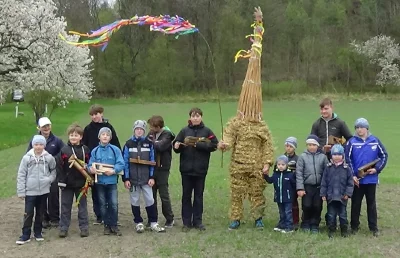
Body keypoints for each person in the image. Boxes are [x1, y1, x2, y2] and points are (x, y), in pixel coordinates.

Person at [217, 8, 274, 231]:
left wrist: (267, 162)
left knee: (257, 193)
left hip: (257, 167)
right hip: (238, 166)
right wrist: (224, 144)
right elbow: (228, 138)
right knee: (237, 193)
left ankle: (258, 218)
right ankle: (235, 218)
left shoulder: (261, 126)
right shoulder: (235, 123)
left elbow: (268, 145)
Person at [173, 108, 218, 231]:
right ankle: (186, 223)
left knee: (198, 196)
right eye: (193, 116)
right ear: (190, 118)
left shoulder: (207, 131)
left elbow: (214, 145)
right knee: (186, 196)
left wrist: (199, 145)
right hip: (186, 170)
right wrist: (176, 146)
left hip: (200, 170)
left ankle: (198, 221)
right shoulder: (184, 131)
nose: (196, 118)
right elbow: (176, 146)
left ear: (201, 117)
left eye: (198, 116)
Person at [310, 98, 352, 228]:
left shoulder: (340, 123)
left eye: (326, 108)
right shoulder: (317, 124)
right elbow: (312, 141)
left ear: (331, 108)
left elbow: (350, 139)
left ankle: (339, 217)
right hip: (321, 160)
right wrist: (322, 149)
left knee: (337, 188)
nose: (324, 111)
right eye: (322, 109)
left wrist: (336, 144)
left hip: (337, 160)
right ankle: (323, 220)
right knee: (324, 187)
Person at [345, 118, 388, 237]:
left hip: (371, 180)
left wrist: (377, 169)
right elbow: (347, 160)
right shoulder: (352, 142)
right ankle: (354, 226)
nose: (359, 130)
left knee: (371, 203)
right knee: (355, 203)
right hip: (357, 181)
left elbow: (384, 155)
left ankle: (373, 227)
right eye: (357, 127)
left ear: (367, 128)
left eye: (361, 127)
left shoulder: (375, 141)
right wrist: (352, 175)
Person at [123, 120, 166, 233]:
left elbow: (153, 161)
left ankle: (153, 222)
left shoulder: (149, 144)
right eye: (137, 129)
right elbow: (125, 163)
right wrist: (126, 179)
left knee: (150, 200)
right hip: (133, 179)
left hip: (146, 178)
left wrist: (152, 177)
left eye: (141, 129)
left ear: (144, 131)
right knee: (135, 200)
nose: (139, 131)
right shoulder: (128, 144)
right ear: (134, 130)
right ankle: (138, 222)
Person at [82, 104, 121, 225]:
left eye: (96, 114)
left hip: (109, 165)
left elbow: (116, 145)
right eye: (92, 115)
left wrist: (115, 167)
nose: (94, 117)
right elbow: (84, 145)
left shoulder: (108, 127)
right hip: (94, 164)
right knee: (96, 192)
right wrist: (89, 164)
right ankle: (100, 216)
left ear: (101, 114)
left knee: (111, 194)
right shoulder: (88, 129)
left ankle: (112, 217)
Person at [17, 135, 57, 244]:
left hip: (43, 191)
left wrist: (49, 179)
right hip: (30, 191)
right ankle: (25, 234)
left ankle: (38, 232)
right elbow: (21, 174)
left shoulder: (48, 158)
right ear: (33, 145)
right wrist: (21, 191)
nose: (38, 147)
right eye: (36, 144)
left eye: (41, 144)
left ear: (44, 145)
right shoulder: (27, 158)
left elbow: (53, 170)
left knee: (40, 213)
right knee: (28, 213)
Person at [27, 117, 64, 229]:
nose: (46, 128)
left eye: (48, 126)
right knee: (41, 195)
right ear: (39, 128)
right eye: (43, 126)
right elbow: (28, 154)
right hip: (38, 173)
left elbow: (63, 153)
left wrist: (52, 159)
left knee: (53, 195)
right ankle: (43, 218)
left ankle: (55, 218)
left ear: (50, 126)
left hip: (52, 172)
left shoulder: (57, 140)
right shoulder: (34, 140)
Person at [88, 127, 125, 236]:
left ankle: (114, 225)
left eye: (107, 135)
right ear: (99, 137)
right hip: (99, 182)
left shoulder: (115, 150)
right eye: (103, 134)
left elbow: (121, 163)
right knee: (103, 205)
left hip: (112, 182)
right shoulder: (95, 151)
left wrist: (113, 171)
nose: (105, 136)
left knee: (113, 204)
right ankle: (106, 226)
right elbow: (90, 164)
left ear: (110, 137)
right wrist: (91, 169)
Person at [57, 124, 91, 238]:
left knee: (82, 207)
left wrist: (89, 177)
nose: (73, 137)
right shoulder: (64, 150)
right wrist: (61, 181)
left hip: (81, 184)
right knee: (65, 206)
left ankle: (84, 228)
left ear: (81, 137)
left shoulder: (85, 149)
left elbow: (89, 164)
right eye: (71, 135)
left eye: (76, 135)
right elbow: (60, 167)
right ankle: (63, 228)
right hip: (67, 184)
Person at [296, 134, 328, 233]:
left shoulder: (323, 157)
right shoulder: (302, 157)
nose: (311, 147)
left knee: (317, 206)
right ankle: (306, 222)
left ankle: (315, 224)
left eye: (313, 145)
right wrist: (300, 188)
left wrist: (325, 187)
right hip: (307, 185)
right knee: (307, 205)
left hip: (319, 186)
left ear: (317, 146)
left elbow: (326, 172)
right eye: (309, 145)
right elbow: (299, 173)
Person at [147, 115, 175, 228]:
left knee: (164, 195)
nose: (150, 129)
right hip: (152, 167)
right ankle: (153, 219)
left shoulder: (167, 135)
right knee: (151, 195)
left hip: (163, 168)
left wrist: (153, 142)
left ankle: (169, 218)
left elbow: (161, 147)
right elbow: (147, 144)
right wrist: (154, 142)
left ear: (158, 127)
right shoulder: (151, 134)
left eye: (152, 127)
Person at [320, 144, 354, 238]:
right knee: (331, 215)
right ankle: (331, 230)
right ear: (331, 155)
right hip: (330, 197)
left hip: (342, 197)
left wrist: (348, 193)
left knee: (343, 215)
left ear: (342, 156)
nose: (337, 157)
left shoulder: (346, 169)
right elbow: (324, 182)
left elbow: (350, 183)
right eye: (334, 154)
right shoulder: (328, 168)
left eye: (339, 154)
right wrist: (323, 193)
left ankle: (344, 231)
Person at [272, 137, 300, 229]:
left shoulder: (297, 159)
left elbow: (299, 172)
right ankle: (283, 221)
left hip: (292, 184)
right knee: (283, 206)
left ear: (294, 148)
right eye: (287, 146)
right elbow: (276, 171)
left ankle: (295, 221)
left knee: (294, 204)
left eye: (291, 146)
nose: (288, 148)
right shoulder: (281, 159)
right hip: (283, 185)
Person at [264, 155, 296, 233]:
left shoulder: (290, 175)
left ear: (287, 165)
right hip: (279, 197)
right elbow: (270, 180)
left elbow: (294, 185)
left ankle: (289, 226)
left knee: (288, 212)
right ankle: (282, 225)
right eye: (279, 165)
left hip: (287, 198)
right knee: (281, 212)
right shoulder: (276, 174)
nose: (280, 166)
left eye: (283, 165)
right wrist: (265, 175)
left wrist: (293, 194)